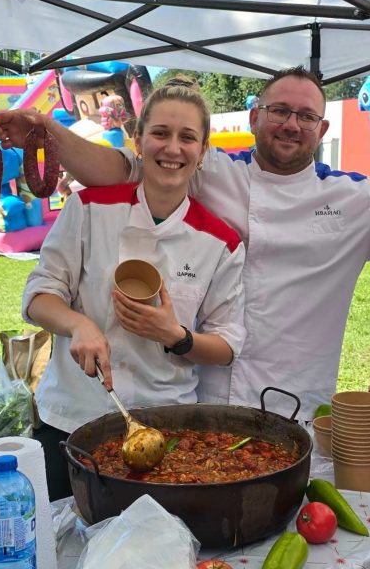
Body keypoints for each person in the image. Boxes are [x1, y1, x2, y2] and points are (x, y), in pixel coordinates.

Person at [0, 66, 370, 421]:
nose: (291, 124)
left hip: (291, 395)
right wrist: (49, 135)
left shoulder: (354, 199)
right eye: (279, 111)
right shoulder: (214, 170)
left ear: (323, 129)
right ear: (255, 116)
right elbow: (128, 169)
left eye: (306, 115)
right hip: (195, 393)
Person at [20, 82, 246, 500]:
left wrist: (174, 336)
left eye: (187, 138)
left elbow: (228, 344)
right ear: (138, 140)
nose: (172, 148)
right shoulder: (88, 207)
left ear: (203, 150)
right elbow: (39, 296)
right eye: (160, 133)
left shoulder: (220, 242)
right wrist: (79, 324)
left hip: (164, 424)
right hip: (72, 418)